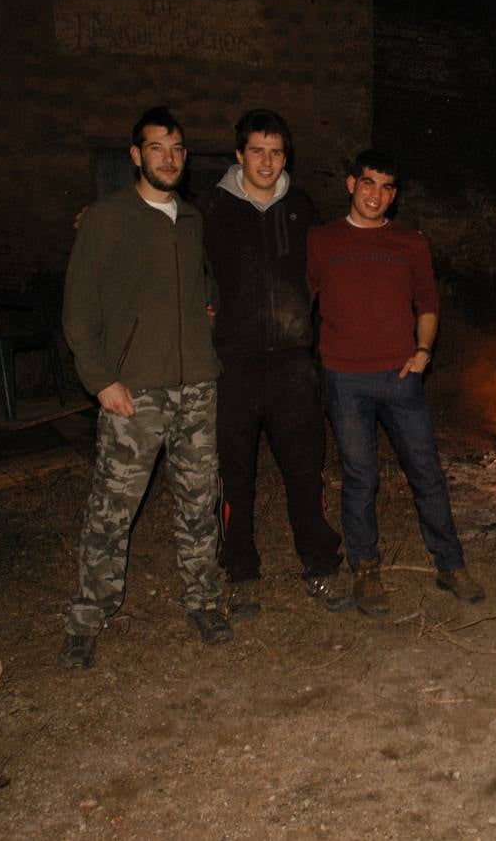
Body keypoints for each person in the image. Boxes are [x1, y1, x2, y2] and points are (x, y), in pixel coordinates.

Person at [59, 106, 230, 669]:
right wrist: (102, 379)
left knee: (200, 504)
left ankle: (203, 598)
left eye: (178, 148)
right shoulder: (107, 219)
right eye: (158, 147)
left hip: (196, 387)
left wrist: (207, 320)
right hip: (135, 391)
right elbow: (79, 310)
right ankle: (88, 617)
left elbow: (204, 285)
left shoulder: (192, 219)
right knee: (112, 509)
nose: (170, 157)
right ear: (136, 155)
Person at [307, 150, 484, 616]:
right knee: (361, 478)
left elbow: (427, 301)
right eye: (368, 183)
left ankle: (450, 564)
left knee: (426, 472)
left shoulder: (410, 243)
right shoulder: (322, 240)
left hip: (400, 378)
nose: (376, 194)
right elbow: (297, 302)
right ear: (351, 184)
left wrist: (423, 352)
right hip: (344, 379)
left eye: (387, 187)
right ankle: (366, 570)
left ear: (395, 195)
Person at [199, 109, 349, 620]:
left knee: (305, 471)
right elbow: (182, 264)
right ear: (239, 154)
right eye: (257, 150)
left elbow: (331, 267)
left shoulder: (301, 208)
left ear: (287, 157)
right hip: (232, 362)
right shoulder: (212, 209)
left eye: (277, 151)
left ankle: (321, 566)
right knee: (233, 474)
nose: (267, 161)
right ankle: (240, 571)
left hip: (292, 364)